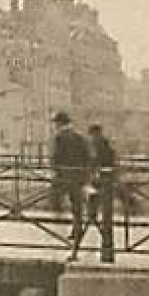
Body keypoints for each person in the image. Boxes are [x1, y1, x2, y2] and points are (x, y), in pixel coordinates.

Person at [51, 110, 92, 258]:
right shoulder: (80, 137)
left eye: (56, 123)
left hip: (65, 176)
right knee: (77, 205)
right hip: (78, 176)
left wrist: (57, 171)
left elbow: (56, 157)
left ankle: (71, 234)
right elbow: (88, 156)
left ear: (60, 123)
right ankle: (77, 229)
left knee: (58, 201)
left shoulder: (60, 137)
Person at [74, 123, 117, 255]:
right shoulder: (106, 145)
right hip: (104, 183)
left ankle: (79, 244)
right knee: (97, 215)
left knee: (92, 214)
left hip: (98, 183)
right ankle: (105, 246)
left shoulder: (96, 146)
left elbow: (94, 162)